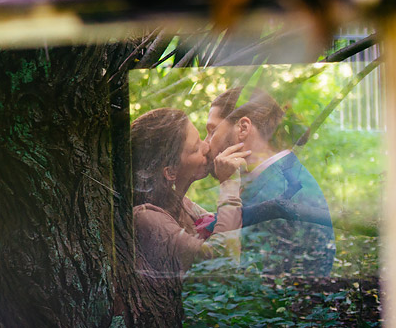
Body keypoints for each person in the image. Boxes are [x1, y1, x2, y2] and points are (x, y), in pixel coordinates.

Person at [131, 108, 250, 325]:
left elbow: (229, 230)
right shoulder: (146, 218)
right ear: (170, 172)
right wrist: (229, 184)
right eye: (196, 148)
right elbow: (223, 263)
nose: (207, 147)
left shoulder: (182, 205)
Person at [206, 87, 336, 276]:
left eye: (212, 131)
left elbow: (226, 270)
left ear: (243, 128)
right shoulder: (282, 176)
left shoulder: (278, 191)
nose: (206, 143)